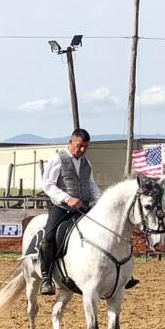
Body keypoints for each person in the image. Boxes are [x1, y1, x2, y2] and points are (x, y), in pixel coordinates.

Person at [37, 127, 112, 296]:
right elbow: (47, 184)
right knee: (49, 237)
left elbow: (91, 185)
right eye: (79, 146)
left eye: (86, 146)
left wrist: (101, 202)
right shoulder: (58, 158)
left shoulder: (86, 162)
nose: (83, 150)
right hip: (62, 208)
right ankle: (46, 278)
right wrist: (67, 198)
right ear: (70, 142)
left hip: (84, 208)